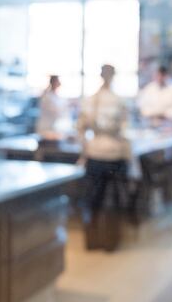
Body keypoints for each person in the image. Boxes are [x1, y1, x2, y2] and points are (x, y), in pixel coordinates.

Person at [77, 64, 130, 251]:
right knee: (105, 199)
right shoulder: (114, 101)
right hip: (109, 154)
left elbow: (81, 130)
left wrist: (86, 148)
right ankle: (107, 241)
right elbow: (125, 132)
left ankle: (97, 241)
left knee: (96, 199)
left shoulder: (94, 100)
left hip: (99, 154)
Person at [35, 75, 67, 140]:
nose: (60, 83)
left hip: (53, 127)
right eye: (58, 81)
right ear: (54, 82)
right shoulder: (47, 97)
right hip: (45, 128)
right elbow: (56, 111)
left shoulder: (56, 96)